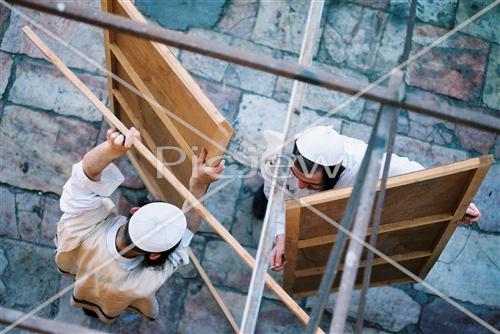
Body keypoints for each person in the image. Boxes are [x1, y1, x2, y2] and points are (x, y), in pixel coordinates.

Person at [253, 126, 481, 272]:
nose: (301, 186)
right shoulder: (278, 160)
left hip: (332, 208)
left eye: (311, 184)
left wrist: (454, 199)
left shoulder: (367, 162)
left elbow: (414, 174)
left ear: (339, 170)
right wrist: (281, 237)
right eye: (298, 177)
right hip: (280, 199)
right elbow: (277, 197)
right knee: (267, 205)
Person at [55, 127, 223, 322]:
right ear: (154, 255)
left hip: (79, 268)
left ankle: (87, 305)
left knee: (84, 287)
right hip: (113, 295)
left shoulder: (80, 227)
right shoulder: (145, 283)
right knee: (105, 301)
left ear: (135, 211)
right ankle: (94, 310)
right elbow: (186, 236)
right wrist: (198, 185)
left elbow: (83, 176)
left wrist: (112, 148)